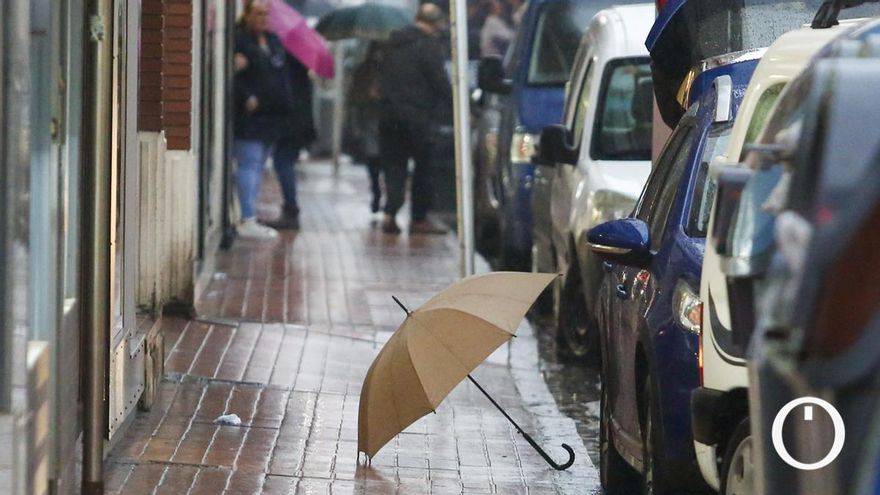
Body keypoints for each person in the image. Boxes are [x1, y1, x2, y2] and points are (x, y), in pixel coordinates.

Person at [378, 3, 452, 235]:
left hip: (390, 116)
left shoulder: (392, 43)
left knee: (394, 167)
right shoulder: (429, 46)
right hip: (419, 118)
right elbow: (439, 82)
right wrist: (463, 108)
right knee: (423, 169)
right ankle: (418, 219)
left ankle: (390, 214)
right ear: (436, 23)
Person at [233, 0, 296, 239]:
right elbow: (232, 76)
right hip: (249, 118)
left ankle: (248, 214)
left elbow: (279, 75)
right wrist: (246, 96)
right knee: (249, 164)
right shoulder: (239, 41)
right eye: (258, 13)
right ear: (247, 15)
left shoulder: (273, 42)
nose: (263, 18)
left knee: (258, 166)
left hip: (272, 117)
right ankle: (247, 216)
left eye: (266, 14)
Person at [268, 56, 317, 230]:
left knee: (282, 162)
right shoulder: (302, 69)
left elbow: (282, 94)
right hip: (299, 125)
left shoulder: (289, 68)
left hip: (291, 125)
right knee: (284, 162)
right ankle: (290, 209)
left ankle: (291, 208)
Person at [346, 42, 385, 214]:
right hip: (369, 119)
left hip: (386, 121)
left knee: (383, 160)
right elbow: (353, 97)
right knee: (373, 157)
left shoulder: (391, 70)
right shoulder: (363, 71)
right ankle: (376, 190)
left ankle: (380, 192)